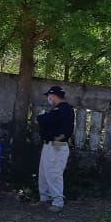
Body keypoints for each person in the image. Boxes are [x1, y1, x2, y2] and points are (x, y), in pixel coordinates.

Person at [36, 85, 74, 213]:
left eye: (49, 96)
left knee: (53, 173)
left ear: (52, 95)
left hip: (57, 144)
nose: (48, 98)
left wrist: (42, 118)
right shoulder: (58, 109)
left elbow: (49, 121)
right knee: (44, 172)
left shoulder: (64, 109)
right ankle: (45, 198)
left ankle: (58, 202)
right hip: (50, 144)